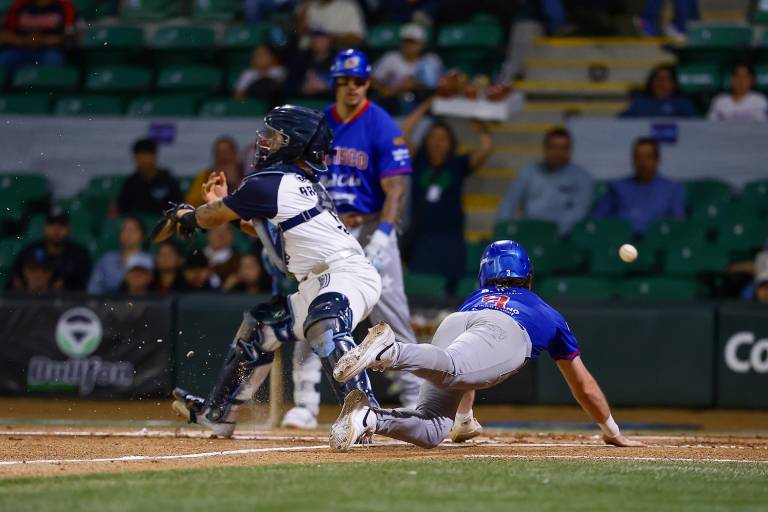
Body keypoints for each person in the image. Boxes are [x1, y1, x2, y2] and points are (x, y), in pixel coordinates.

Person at [169, 105, 382, 437]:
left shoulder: (270, 182)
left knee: (325, 323)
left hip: (346, 275)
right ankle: (219, 413)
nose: (266, 142)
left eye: (276, 136)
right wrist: (226, 206)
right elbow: (269, 235)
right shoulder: (293, 183)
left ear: (294, 143)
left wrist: (188, 216)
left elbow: (210, 218)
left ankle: (365, 415)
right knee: (261, 325)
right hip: (323, 281)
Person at [328, 240, 645, 451]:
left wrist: (464, 420)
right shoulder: (548, 313)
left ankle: (367, 418)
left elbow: (470, 366)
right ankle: (388, 352)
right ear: (528, 276)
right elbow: (583, 385)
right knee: (454, 368)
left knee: (433, 428)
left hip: (456, 320)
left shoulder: (476, 297)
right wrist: (611, 430)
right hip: (504, 330)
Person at [280, 49, 421, 430]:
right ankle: (306, 404)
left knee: (391, 314)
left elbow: (396, 189)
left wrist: (385, 235)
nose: (352, 87)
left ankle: (415, 397)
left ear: (368, 83)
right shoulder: (319, 123)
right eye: (345, 81)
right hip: (327, 229)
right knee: (314, 309)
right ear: (335, 84)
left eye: (358, 81)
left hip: (371, 225)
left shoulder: (381, 124)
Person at [402, 98, 493, 293]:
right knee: (421, 291)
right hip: (421, 239)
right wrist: (426, 105)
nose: (437, 143)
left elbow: (486, 148)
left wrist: (476, 116)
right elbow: (402, 134)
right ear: (426, 141)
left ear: (451, 143)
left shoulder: (457, 164)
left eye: (443, 138)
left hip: (451, 239)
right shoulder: (418, 161)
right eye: (433, 137)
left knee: (451, 293)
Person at [497, 128, 593, 236]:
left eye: (564, 148)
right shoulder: (529, 172)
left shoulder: (581, 177)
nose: (558, 153)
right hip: (528, 231)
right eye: (554, 147)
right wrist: (503, 229)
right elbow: (509, 202)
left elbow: (579, 212)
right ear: (545, 148)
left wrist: (551, 232)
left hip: (563, 237)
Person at [592, 137, 686, 235]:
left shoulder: (673, 189)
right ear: (633, 159)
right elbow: (596, 220)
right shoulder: (617, 187)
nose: (643, 162)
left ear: (658, 160)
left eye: (648, 157)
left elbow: (678, 224)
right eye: (638, 157)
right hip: (621, 241)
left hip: (658, 241)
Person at [9, 209, 91, 291]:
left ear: (69, 228)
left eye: (61, 224)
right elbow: (14, 281)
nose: (56, 229)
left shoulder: (79, 255)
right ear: (44, 227)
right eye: (51, 224)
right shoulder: (29, 251)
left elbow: (83, 287)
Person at [372, 23, 443, 113]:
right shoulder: (391, 58)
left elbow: (440, 84)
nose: (409, 46)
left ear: (423, 44)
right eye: (406, 41)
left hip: (423, 99)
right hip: (394, 100)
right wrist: (393, 89)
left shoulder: (431, 59)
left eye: (414, 42)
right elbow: (373, 80)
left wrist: (417, 84)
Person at [0, 0, 78, 74]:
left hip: (50, 50)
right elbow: (4, 34)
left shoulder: (65, 7)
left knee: (54, 59)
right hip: (19, 49)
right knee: (4, 58)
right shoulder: (19, 6)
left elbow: (71, 36)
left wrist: (43, 40)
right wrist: (25, 40)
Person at [117, 138, 183, 215]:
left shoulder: (168, 180)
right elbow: (123, 209)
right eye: (139, 156)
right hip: (136, 221)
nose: (143, 160)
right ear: (135, 157)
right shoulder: (131, 182)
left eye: (146, 156)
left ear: (155, 156)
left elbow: (178, 208)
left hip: (165, 220)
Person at [87, 215, 151, 295]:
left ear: (142, 234)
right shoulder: (106, 260)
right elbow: (93, 289)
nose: (128, 233)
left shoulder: (150, 261)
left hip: (142, 302)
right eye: (124, 229)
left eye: (132, 230)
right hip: (108, 302)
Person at [620, 65, 698, 118]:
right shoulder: (640, 103)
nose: (661, 82)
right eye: (658, 78)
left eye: (666, 79)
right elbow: (621, 122)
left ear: (674, 83)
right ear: (651, 82)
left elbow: (694, 125)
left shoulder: (682, 103)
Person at [186, 137, 243, 208]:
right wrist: (209, 191)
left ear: (235, 155)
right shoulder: (205, 175)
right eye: (219, 153)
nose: (223, 156)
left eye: (226, 153)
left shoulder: (245, 175)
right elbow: (191, 204)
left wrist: (235, 184)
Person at [285, 29, 335, 99]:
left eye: (322, 40)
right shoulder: (301, 59)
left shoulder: (337, 60)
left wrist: (325, 88)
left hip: (328, 100)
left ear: (329, 40)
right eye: (315, 40)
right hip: (304, 100)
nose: (318, 43)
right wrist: (303, 88)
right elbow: (289, 86)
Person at [296, 0, 366, 49]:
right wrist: (305, 4)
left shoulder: (348, 6)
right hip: (306, 52)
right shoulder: (308, 4)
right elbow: (298, 30)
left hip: (336, 53)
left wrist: (328, 39)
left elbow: (358, 39)